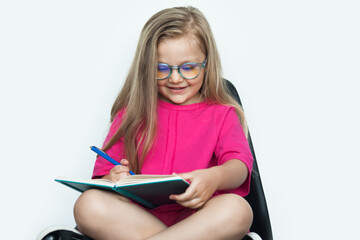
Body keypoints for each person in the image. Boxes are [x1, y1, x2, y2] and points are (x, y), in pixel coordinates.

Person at [73, 6, 254, 240]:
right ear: (147, 67)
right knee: (88, 204)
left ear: (206, 64)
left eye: (189, 68)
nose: (176, 78)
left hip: (199, 221)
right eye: (161, 68)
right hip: (136, 221)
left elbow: (239, 166)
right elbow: (103, 175)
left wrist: (213, 178)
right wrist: (113, 178)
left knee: (237, 209)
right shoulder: (131, 113)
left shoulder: (223, 113)